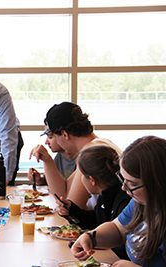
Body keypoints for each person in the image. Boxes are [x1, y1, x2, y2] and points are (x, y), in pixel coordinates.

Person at [71, 136, 166, 267]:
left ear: (157, 184)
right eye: (123, 179)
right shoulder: (140, 202)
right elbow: (117, 229)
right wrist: (91, 237)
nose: (124, 187)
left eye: (132, 184)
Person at [30, 102, 120, 209]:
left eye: (54, 137)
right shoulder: (100, 143)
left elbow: (71, 205)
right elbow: (63, 192)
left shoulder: (91, 153)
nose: (58, 143)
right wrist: (47, 161)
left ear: (64, 135)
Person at [56, 145, 130, 259]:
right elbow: (96, 221)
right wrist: (72, 210)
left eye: (81, 175)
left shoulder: (124, 201)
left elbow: (120, 240)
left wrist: (92, 240)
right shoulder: (105, 195)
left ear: (91, 180)